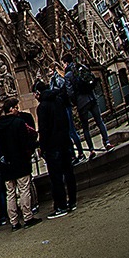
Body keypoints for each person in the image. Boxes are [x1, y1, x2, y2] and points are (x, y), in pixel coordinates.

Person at [0, 96, 42, 230]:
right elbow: (25, 142)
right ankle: (27, 217)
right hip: (20, 161)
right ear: (11, 109)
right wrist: (35, 144)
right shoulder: (18, 123)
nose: (17, 110)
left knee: (10, 193)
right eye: (16, 107)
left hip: (7, 165)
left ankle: (14, 221)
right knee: (24, 190)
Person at [37, 83, 77, 217]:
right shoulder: (58, 100)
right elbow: (66, 120)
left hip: (52, 146)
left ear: (38, 93)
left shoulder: (42, 107)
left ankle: (61, 206)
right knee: (69, 172)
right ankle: (72, 201)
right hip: (64, 141)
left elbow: (44, 129)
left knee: (56, 177)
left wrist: (43, 147)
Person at [65, 56, 113, 156]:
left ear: (65, 63)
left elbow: (69, 92)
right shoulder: (81, 67)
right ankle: (107, 142)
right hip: (92, 97)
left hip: (81, 102)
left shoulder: (68, 75)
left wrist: (75, 101)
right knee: (99, 121)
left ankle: (91, 150)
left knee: (85, 127)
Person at [50, 60, 86, 162]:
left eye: (50, 70)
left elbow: (61, 90)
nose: (49, 73)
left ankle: (79, 153)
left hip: (64, 106)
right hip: (64, 106)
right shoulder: (59, 77)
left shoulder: (58, 78)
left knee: (70, 131)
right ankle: (76, 154)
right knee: (69, 131)